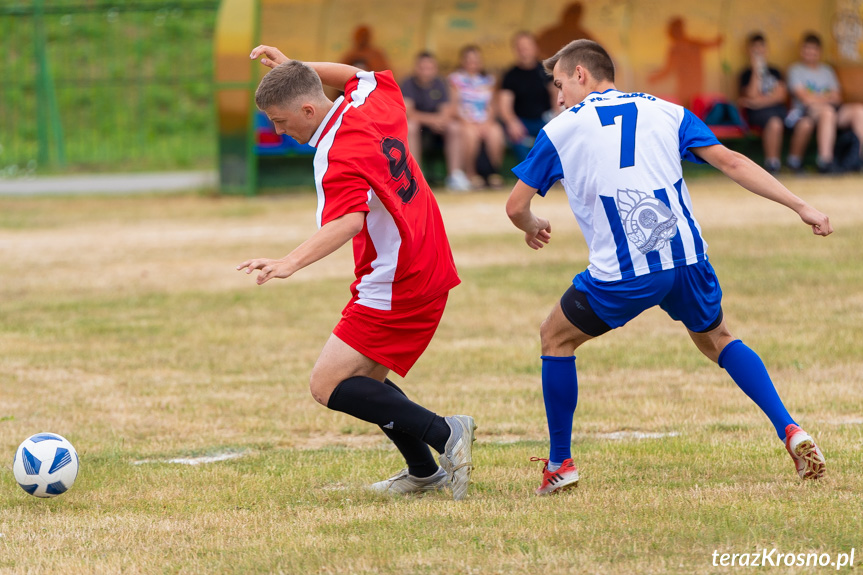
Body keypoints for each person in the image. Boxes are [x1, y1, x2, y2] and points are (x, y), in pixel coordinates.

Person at [505, 39, 831, 496]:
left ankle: (560, 464)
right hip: (687, 258)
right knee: (718, 339)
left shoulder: (561, 129)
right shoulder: (668, 111)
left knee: (554, 338)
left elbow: (516, 205)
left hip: (627, 270)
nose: (558, 97)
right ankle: (790, 429)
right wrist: (802, 207)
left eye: (560, 84)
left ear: (581, 74)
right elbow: (733, 162)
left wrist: (532, 224)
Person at [242, 45, 476, 500]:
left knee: (327, 385)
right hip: (426, 255)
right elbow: (358, 73)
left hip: (399, 275)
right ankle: (424, 473)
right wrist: (298, 68)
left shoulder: (334, 153)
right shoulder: (368, 104)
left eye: (282, 121)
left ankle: (447, 433)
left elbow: (347, 222)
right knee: (366, 382)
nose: (279, 130)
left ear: (308, 109)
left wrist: (288, 262)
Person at [786, 32, 863, 173]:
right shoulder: (796, 69)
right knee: (827, 112)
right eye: (807, 49)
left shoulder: (827, 71)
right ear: (801, 50)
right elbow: (805, 98)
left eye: (813, 49)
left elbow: (837, 97)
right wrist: (825, 97)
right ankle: (825, 161)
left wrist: (816, 96)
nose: (810, 52)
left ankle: (859, 158)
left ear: (819, 51)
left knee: (858, 110)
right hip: (806, 112)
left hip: (832, 109)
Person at [401, 52, 470, 191]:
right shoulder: (407, 83)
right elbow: (409, 112)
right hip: (420, 125)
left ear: (435, 69)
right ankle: (415, 177)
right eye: (423, 68)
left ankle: (455, 175)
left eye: (430, 68)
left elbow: (446, 109)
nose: (426, 71)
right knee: (411, 126)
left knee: (455, 127)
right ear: (416, 68)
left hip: (437, 127)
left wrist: (440, 120)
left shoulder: (441, 83)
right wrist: (433, 120)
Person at [449, 45, 506, 189]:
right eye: (469, 60)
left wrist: (487, 122)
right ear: (462, 61)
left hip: (485, 120)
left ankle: (493, 173)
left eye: (476, 60)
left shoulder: (489, 80)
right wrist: (467, 122)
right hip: (465, 120)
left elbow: (493, 105)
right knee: (470, 134)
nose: (472, 63)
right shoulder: (455, 79)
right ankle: (471, 174)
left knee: (496, 133)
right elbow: (454, 106)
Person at [500, 31, 558, 163]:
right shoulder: (510, 75)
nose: (523, 51)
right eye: (520, 48)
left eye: (526, 47)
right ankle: (528, 176)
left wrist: (555, 118)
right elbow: (504, 106)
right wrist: (512, 122)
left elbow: (555, 96)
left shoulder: (546, 71)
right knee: (515, 134)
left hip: (545, 119)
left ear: (535, 48)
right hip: (522, 122)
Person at [738, 33, 789, 174]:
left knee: (779, 121)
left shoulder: (775, 71)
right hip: (756, 114)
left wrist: (755, 103)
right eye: (755, 48)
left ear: (766, 50)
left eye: (761, 47)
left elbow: (780, 96)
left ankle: (787, 163)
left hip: (776, 110)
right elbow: (751, 94)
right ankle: (773, 164)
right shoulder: (746, 74)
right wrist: (756, 70)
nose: (759, 51)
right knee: (774, 123)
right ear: (749, 51)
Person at [648, 17, 723, 108]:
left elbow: (668, 70)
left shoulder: (678, 48)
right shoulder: (692, 44)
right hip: (694, 87)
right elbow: (714, 44)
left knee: (686, 111)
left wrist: (655, 77)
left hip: (687, 89)